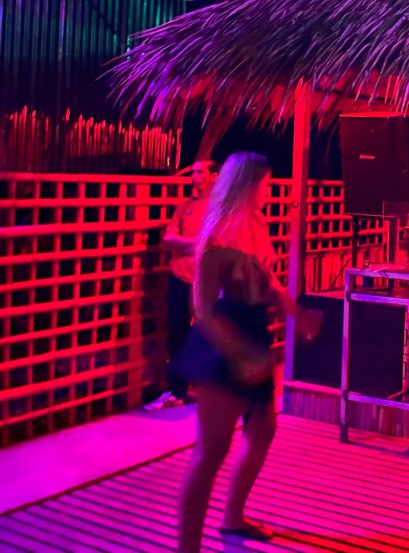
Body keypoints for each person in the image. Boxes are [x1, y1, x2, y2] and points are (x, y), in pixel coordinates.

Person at [175, 152, 319, 552]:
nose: (268, 191)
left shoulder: (256, 224)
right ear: (247, 184)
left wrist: (297, 312)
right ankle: (187, 547)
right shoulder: (217, 234)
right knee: (212, 450)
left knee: (262, 431)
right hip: (224, 340)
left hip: (254, 336)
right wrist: (238, 354)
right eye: (265, 184)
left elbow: (268, 281)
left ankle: (233, 516)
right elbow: (203, 309)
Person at [148, 160, 218, 410]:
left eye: (200, 171)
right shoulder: (183, 207)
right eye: (193, 171)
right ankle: (177, 390)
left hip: (205, 279)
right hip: (179, 277)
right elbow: (168, 237)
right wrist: (193, 244)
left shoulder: (218, 208)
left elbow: (213, 243)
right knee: (176, 332)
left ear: (213, 176)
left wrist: (186, 243)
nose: (194, 175)